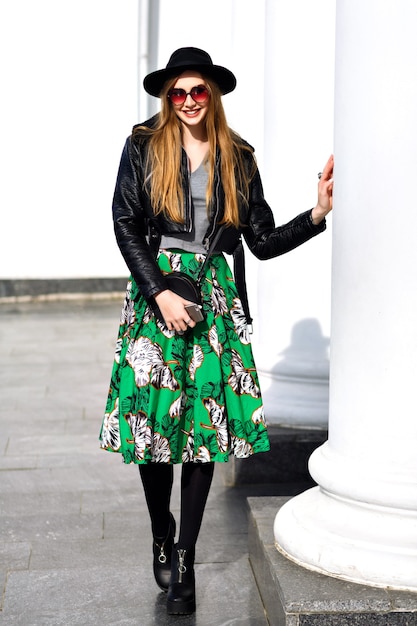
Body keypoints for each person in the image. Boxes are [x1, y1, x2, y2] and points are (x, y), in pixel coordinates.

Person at [99, 47, 333, 616]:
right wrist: (158, 292)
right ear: (166, 96)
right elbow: (125, 223)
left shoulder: (239, 156)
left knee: (205, 432)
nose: (187, 102)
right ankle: (161, 529)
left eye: (197, 91)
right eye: (177, 93)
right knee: (151, 430)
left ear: (213, 94)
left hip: (214, 301)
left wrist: (318, 213)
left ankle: (184, 556)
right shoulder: (142, 146)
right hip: (157, 291)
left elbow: (262, 240)